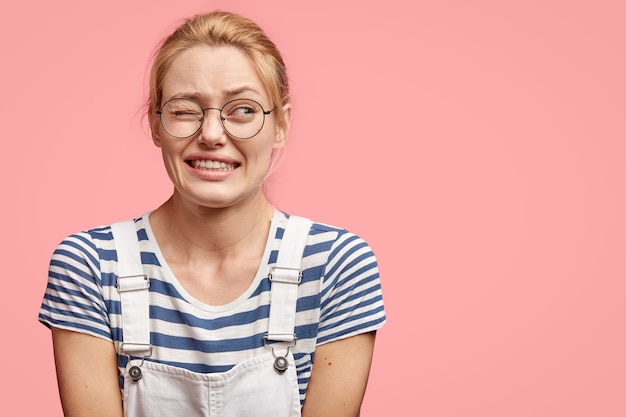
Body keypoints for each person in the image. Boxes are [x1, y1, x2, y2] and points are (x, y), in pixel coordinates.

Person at [38, 10, 385, 417]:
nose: (213, 134)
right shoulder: (91, 265)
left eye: (243, 110)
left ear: (281, 126)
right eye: (185, 109)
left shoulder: (336, 264)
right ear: (156, 124)